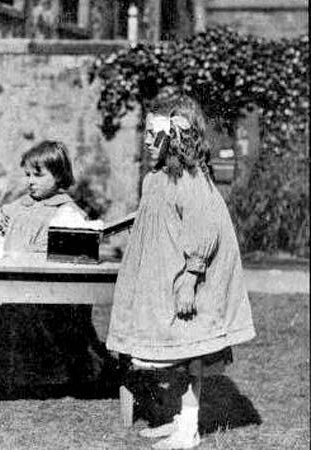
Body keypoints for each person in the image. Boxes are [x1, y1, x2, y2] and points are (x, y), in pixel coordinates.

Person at [106, 96, 256, 449]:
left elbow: (205, 230)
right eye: (144, 132)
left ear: (175, 139)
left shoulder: (188, 178)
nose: (145, 140)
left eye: (153, 134)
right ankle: (179, 418)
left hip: (187, 280)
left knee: (192, 353)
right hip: (161, 278)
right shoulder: (156, 178)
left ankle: (189, 426)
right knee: (174, 351)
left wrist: (190, 277)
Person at [0, 141, 114, 396]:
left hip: (50, 287)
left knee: (49, 326)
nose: (31, 181)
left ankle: (67, 373)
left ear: (58, 176)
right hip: (12, 281)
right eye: (28, 175)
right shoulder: (19, 206)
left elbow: (77, 249)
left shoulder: (67, 212)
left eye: (38, 175)